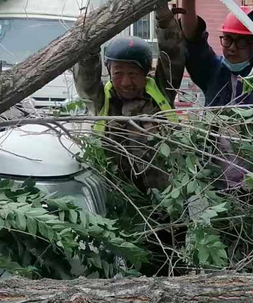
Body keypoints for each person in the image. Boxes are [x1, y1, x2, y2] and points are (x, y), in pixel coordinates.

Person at [72, 10, 182, 191]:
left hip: (166, 200)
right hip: (118, 200)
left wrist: (163, 16)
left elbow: (173, 54)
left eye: (132, 74)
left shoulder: (161, 92)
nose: (125, 82)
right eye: (118, 74)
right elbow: (85, 75)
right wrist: (87, 39)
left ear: (146, 72)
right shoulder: (101, 100)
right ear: (109, 71)